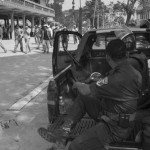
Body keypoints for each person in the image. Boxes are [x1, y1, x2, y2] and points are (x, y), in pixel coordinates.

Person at [38, 39, 142, 150]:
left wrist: (77, 84)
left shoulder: (115, 79)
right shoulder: (135, 74)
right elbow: (117, 88)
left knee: (74, 146)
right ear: (126, 54)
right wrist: (100, 81)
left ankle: (64, 137)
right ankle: (63, 133)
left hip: (114, 129)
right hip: (118, 118)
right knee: (84, 99)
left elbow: (86, 90)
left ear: (107, 57)